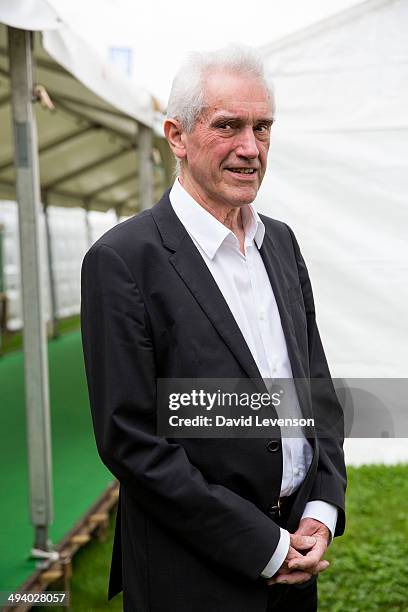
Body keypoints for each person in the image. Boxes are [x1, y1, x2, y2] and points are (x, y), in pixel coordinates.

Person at [81, 45, 346, 612]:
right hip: (191, 577)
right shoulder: (123, 260)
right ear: (176, 135)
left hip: (301, 556)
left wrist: (322, 509)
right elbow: (130, 442)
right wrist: (265, 547)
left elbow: (314, 387)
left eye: (262, 127)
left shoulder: (282, 243)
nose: (250, 148)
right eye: (227, 126)